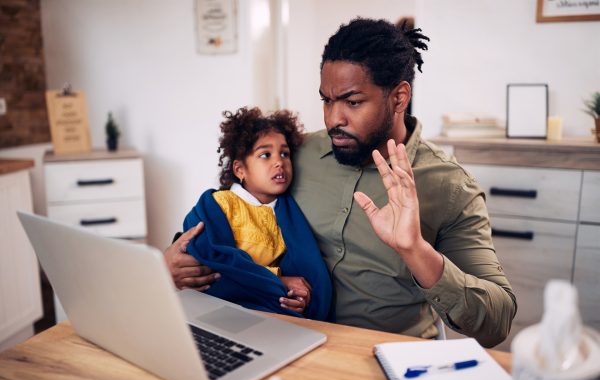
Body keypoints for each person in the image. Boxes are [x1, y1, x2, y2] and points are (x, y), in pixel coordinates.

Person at [165, 18, 516, 347]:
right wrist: (176, 259)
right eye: (327, 100)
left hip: (382, 353)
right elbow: (233, 213)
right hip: (283, 337)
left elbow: (496, 321)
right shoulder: (296, 155)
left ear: (398, 97)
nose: (334, 118)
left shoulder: (451, 187)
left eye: (352, 101)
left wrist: (415, 250)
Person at [178, 107, 333, 321]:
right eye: (265, 155)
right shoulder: (220, 204)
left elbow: (302, 269)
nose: (279, 162)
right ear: (240, 169)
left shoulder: (287, 213)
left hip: (271, 315)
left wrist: (296, 296)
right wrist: (279, 281)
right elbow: (215, 263)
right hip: (223, 310)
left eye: (284, 153)